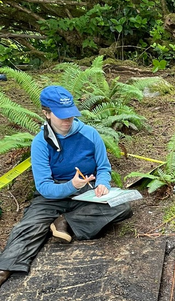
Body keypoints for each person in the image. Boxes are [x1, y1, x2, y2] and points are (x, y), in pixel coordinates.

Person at [0, 86, 132, 288]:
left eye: (70, 115)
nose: (67, 120)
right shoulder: (40, 143)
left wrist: (103, 184)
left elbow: (103, 167)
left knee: (122, 207)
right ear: (46, 113)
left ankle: (66, 222)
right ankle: (5, 268)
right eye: (61, 116)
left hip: (85, 192)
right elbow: (44, 187)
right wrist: (70, 185)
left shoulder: (90, 134)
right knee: (29, 226)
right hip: (51, 196)